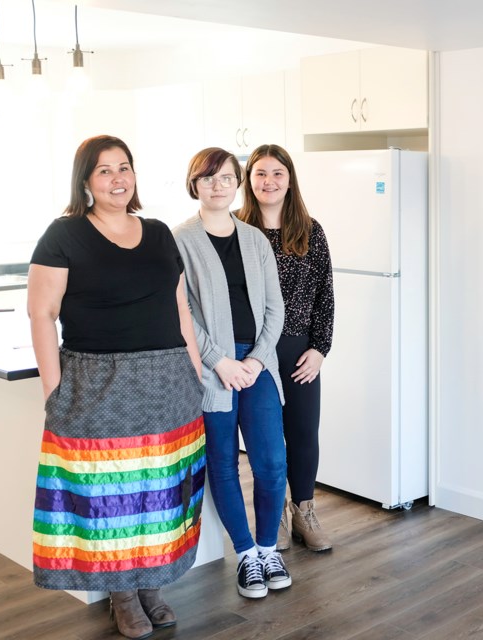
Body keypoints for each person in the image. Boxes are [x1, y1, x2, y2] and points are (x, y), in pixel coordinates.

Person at [27, 135, 206, 640]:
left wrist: (194, 373)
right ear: (85, 181)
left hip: (168, 383)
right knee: (110, 500)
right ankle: (122, 594)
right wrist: (53, 392)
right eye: (104, 171)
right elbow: (42, 314)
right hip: (98, 384)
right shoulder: (63, 236)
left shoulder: (158, 233)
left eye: (124, 168)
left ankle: (151, 586)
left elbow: (181, 311)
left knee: (159, 495)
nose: (117, 179)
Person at [172, 147, 291, 600]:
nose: (218, 185)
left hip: (258, 364)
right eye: (209, 178)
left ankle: (267, 548)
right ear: (194, 185)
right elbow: (181, 310)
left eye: (226, 177)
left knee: (271, 461)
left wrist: (257, 360)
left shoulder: (255, 239)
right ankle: (245, 556)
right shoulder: (179, 239)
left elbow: (273, 308)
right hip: (211, 367)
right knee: (222, 463)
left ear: (236, 183)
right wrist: (219, 360)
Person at [238, 144, 335, 552]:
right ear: (249, 181)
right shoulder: (236, 230)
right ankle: (274, 515)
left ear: (289, 179)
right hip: (253, 351)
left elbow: (325, 295)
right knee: (266, 439)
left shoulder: (311, 231)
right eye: (260, 173)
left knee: (302, 434)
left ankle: (304, 513)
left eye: (277, 173)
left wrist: (319, 349)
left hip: (298, 350)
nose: (269, 181)